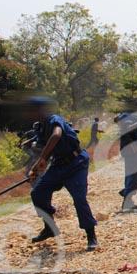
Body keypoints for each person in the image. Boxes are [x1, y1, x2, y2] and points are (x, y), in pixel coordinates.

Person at [25, 97, 98, 251]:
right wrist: (35, 168)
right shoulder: (39, 127)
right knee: (37, 193)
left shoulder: (54, 119)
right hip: (58, 165)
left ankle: (91, 235)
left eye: (31, 111)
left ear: (39, 110)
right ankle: (49, 227)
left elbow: (57, 135)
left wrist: (42, 160)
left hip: (76, 163)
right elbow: (43, 148)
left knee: (79, 198)